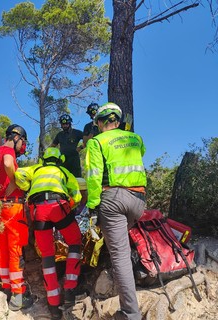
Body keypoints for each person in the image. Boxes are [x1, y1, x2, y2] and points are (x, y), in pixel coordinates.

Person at [85, 102, 147, 320]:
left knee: (119, 256)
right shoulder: (135, 138)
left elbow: (93, 176)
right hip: (139, 201)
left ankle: (131, 314)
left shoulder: (96, 142)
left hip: (113, 200)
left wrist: (92, 208)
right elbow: (141, 151)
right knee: (123, 249)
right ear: (118, 121)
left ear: (100, 122)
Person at [14, 147, 83, 320]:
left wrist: (28, 186)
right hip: (58, 206)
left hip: (38, 210)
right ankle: (70, 288)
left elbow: (18, 175)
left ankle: (53, 304)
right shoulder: (63, 171)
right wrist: (70, 207)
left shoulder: (35, 169)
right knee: (75, 241)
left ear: (44, 159)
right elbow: (77, 196)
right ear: (59, 159)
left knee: (47, 254)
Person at [0, 124, 34, 311]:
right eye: (23, 142)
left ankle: (7, 286)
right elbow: (9, 163)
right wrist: (14, 182)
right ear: (16, 137)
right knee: (15, 248)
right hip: (13, 206)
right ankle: (18, 295)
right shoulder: (8, 151)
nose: (22, 146)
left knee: (2, 247)